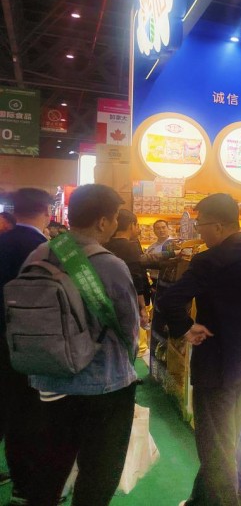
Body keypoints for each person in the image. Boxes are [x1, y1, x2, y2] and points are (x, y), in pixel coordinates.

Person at [158, 194, 241, 506]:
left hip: (218, 366)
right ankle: (202, 499)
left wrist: (186, 327)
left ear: (217, 225)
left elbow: (168, 300)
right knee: (229, 440)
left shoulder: (208, 260)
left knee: (216, 447)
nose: (198, 231)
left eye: (200, 225)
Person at [23, 184, 139, 505]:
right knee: (99, 471)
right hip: (103, 384)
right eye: (115, 218)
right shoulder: (111, 264)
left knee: (50, 464)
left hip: (49, 379)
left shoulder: (39, 254)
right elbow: (129, 328)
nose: (115, 224)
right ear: (102, 222)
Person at [0, 188, 51, 501]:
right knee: (29, 414)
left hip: (1, 338)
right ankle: (26, 485)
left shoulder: (3, 240)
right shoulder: (49, 248)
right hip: (32, 344)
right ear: (47, 211)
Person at [105, 209, 151, 334]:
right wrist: (142, 307)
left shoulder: (105, 244)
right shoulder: (130, 247)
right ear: (131, 225)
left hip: (109, 297)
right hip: (128, 300)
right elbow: (136, 277)